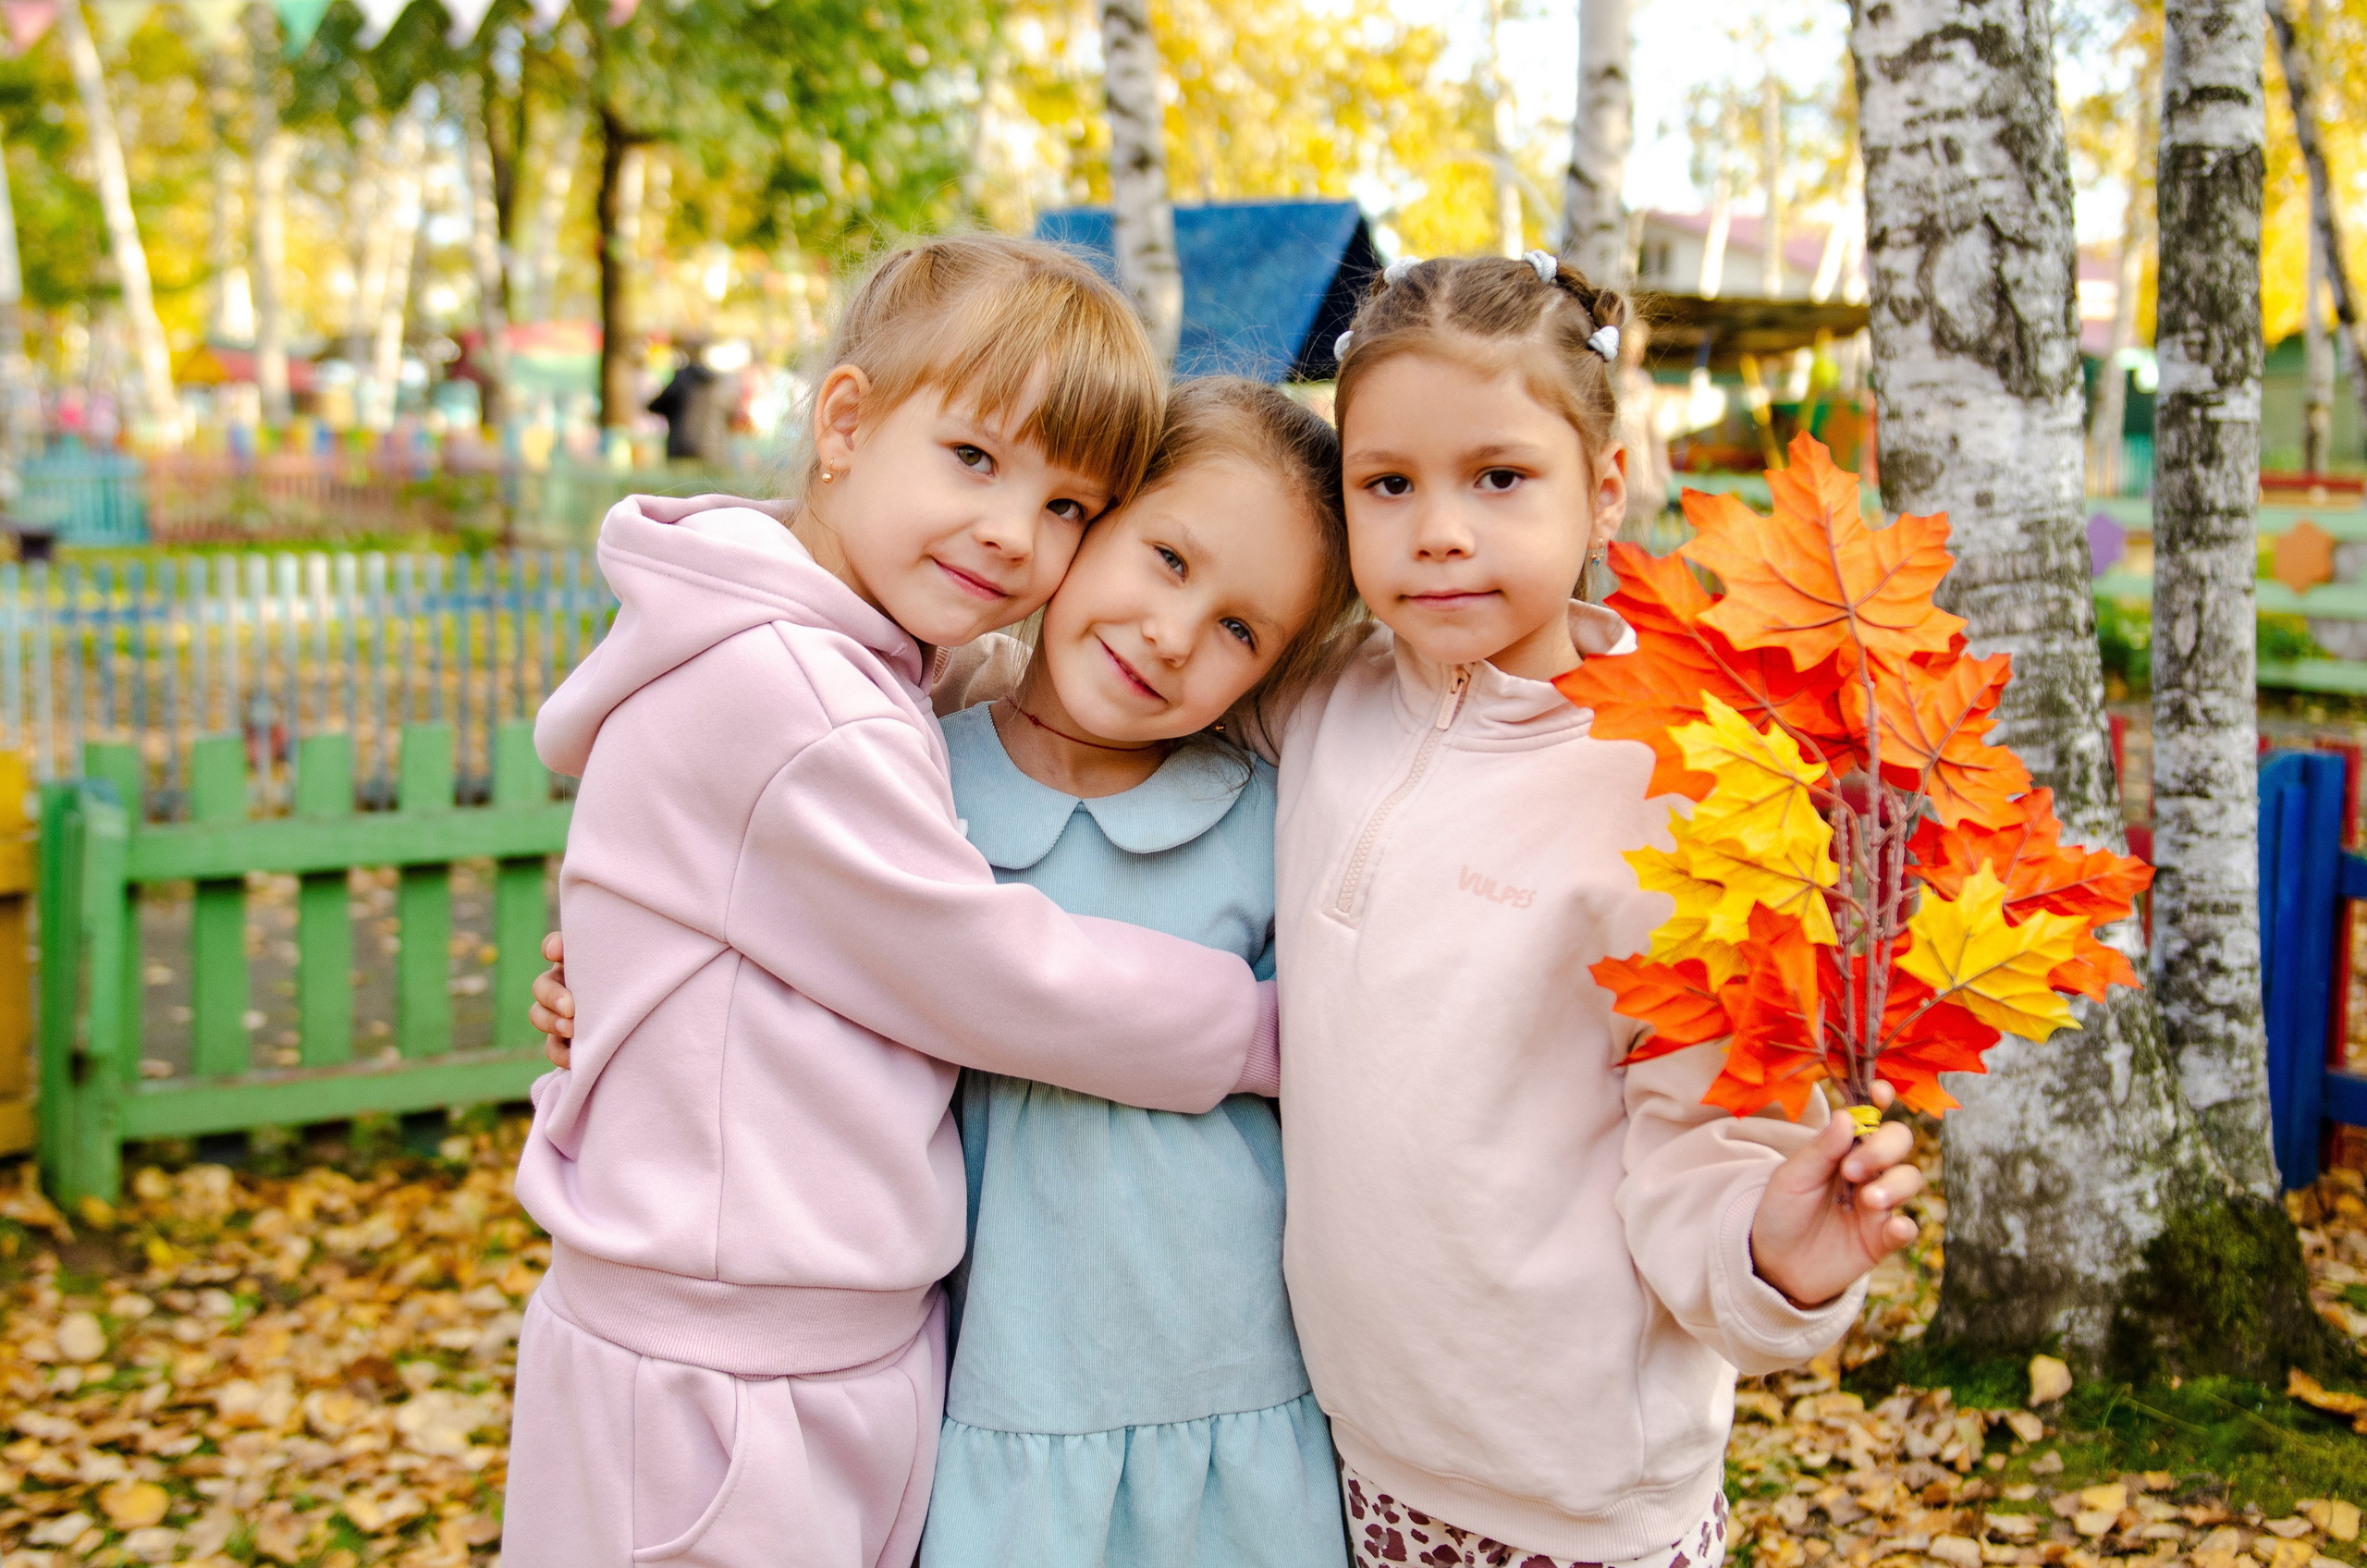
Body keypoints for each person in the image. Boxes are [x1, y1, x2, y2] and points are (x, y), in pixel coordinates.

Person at [498, 237, 1282, 1568]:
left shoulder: (854, 676)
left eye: (1067, 509)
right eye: (975, 459)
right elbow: (982, 967)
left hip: (804, 1337)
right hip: (721, 1375)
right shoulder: (788, 699)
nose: (1010, 531)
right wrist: (1271, 1035)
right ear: (846, 423)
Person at [1285, 251, 1923, 1568]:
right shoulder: (1321, 698)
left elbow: (1706, 1136)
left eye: (1500, 478)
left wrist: (1775, 1251)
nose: (1439, 530)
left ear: (1605, 493)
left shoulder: (1680, 788)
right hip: (1362, 1454)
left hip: (1579, 1497)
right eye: (1387, 485)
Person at [920, 379, 1359, 1568]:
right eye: (1167, 557)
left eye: (1239, 630)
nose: (1174, 632)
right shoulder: (909, 783)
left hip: (1236, 1399)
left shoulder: (1268, 824)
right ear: (1089, 516)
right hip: (998, 1401)